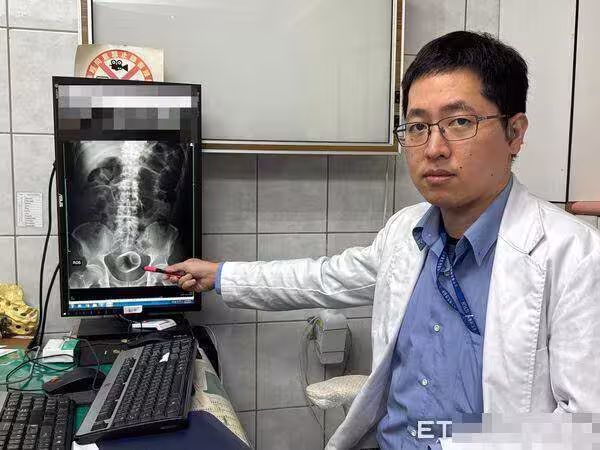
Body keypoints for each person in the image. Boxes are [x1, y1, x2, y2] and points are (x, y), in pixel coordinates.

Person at [166, 31, 600, 449]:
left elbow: (586, 428)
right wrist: (219, 275)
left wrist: (450, 440)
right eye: (417, 126)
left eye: (459, 122)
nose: (433, 148)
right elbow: (322, 279)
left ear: (514, 133)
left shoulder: (574, 255)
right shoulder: (405, 233)